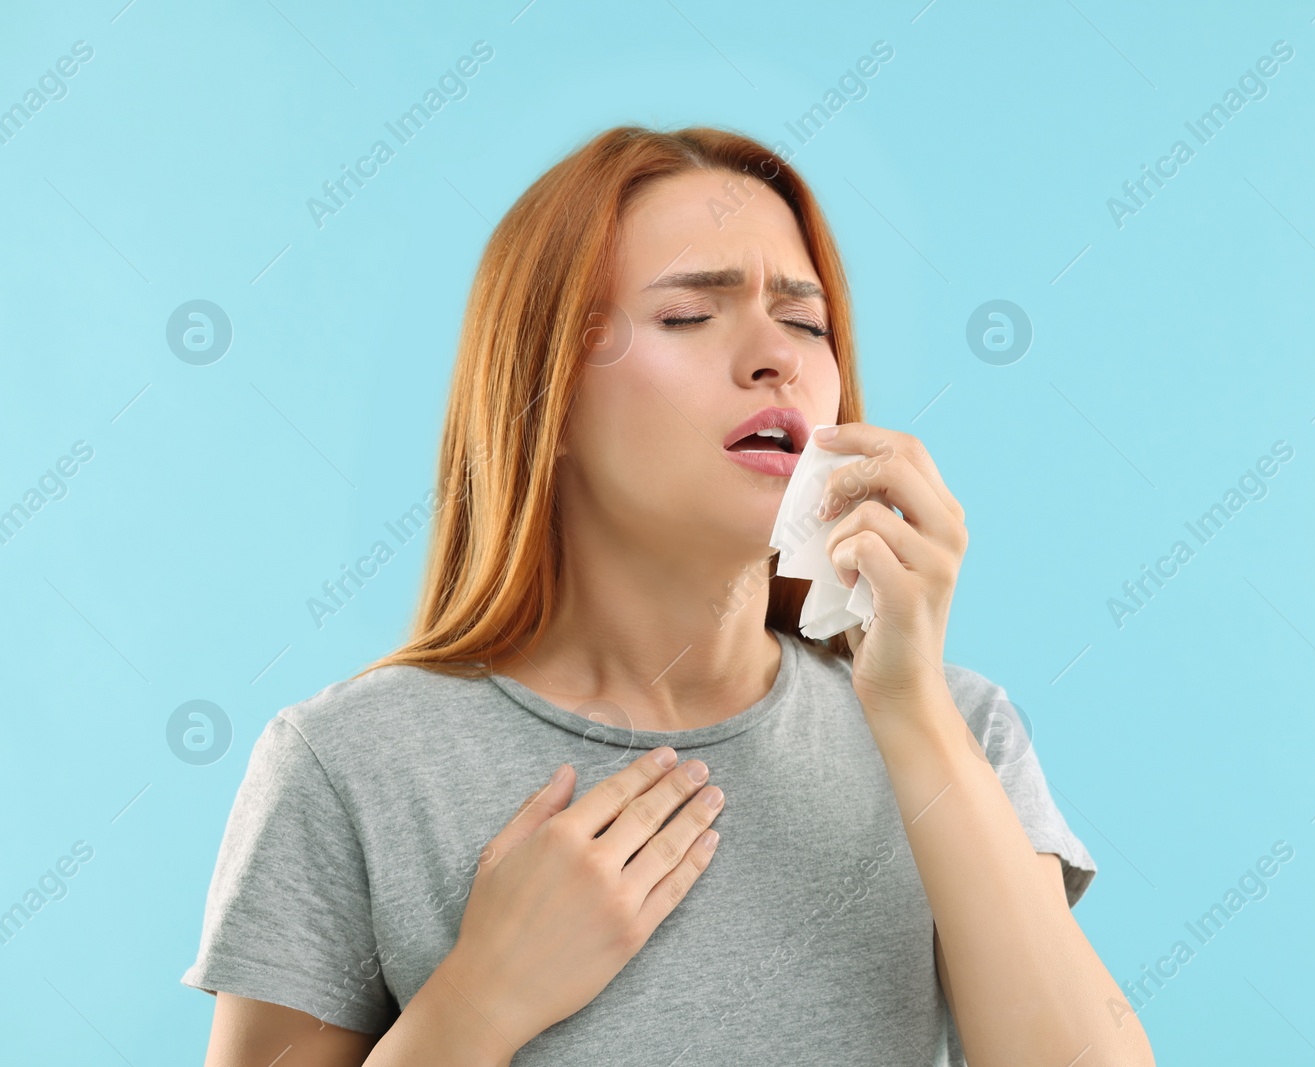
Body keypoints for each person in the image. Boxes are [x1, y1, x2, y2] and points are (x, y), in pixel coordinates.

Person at [181, 125, 1156, 1066]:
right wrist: (479, 1001)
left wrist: (909, 709)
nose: (777, 356)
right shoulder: (349, 767)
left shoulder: (960, 728)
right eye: (691, 314)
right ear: (545, 392)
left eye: (807, 322)